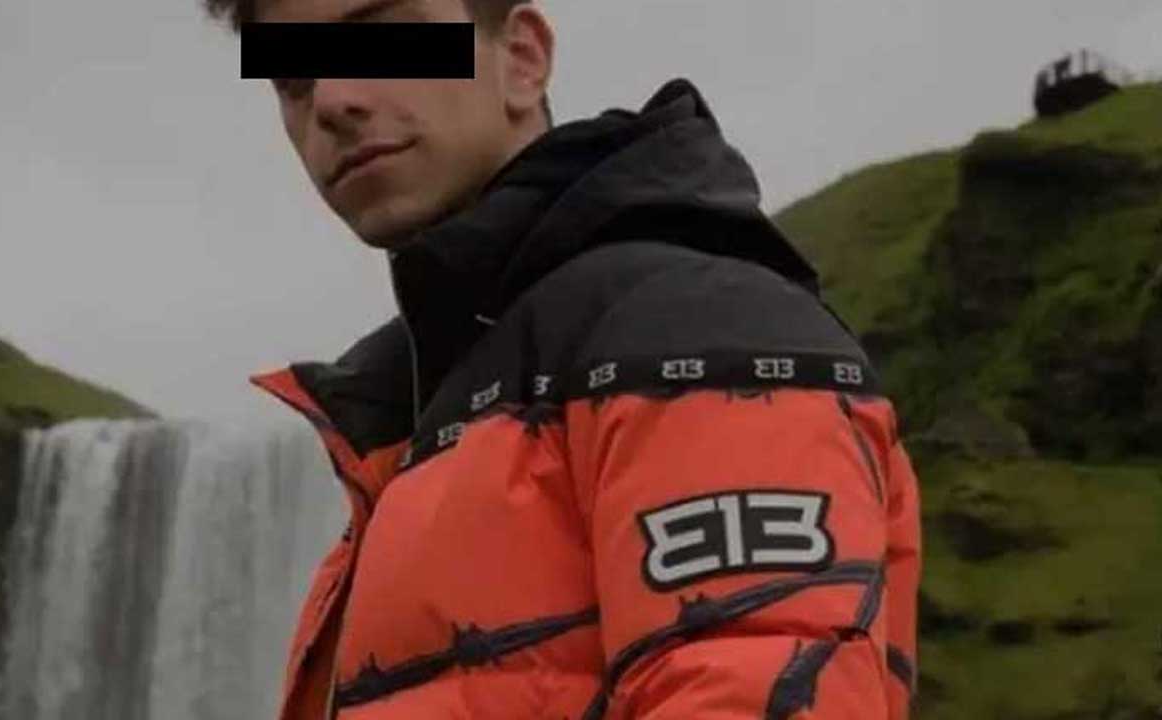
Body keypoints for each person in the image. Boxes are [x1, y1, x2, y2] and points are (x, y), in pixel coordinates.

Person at [204, 1, 923, 718]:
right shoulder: (419, 404)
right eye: (293, 79)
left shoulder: (696, 332)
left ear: (522, 58)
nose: (332, 101)